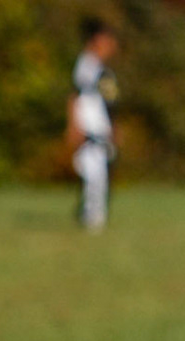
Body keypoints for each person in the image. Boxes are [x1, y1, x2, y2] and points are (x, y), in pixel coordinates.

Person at [69, 19, 119, 232]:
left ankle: (93, 217)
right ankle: (91, 219)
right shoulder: (87, 65)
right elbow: (75, 97)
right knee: (94, 176)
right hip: (90, 132)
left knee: (100, 176)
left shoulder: (98, 67)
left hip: (100, 132)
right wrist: (74, 125)